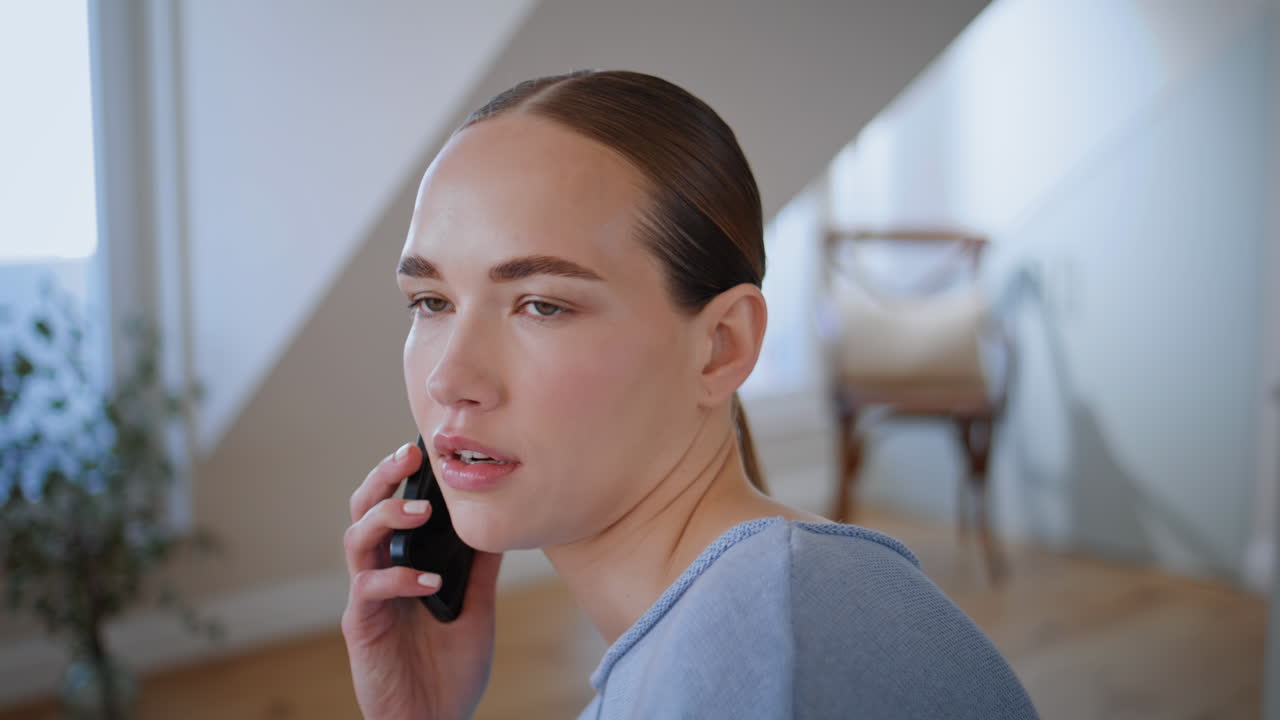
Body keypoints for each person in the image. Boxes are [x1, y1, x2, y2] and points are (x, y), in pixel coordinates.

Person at [341, 69, 1039, 720]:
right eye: (431, 301)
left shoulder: (763, 644)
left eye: (542, 305)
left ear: (722, 345)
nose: (449, 380)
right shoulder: (743, 621)